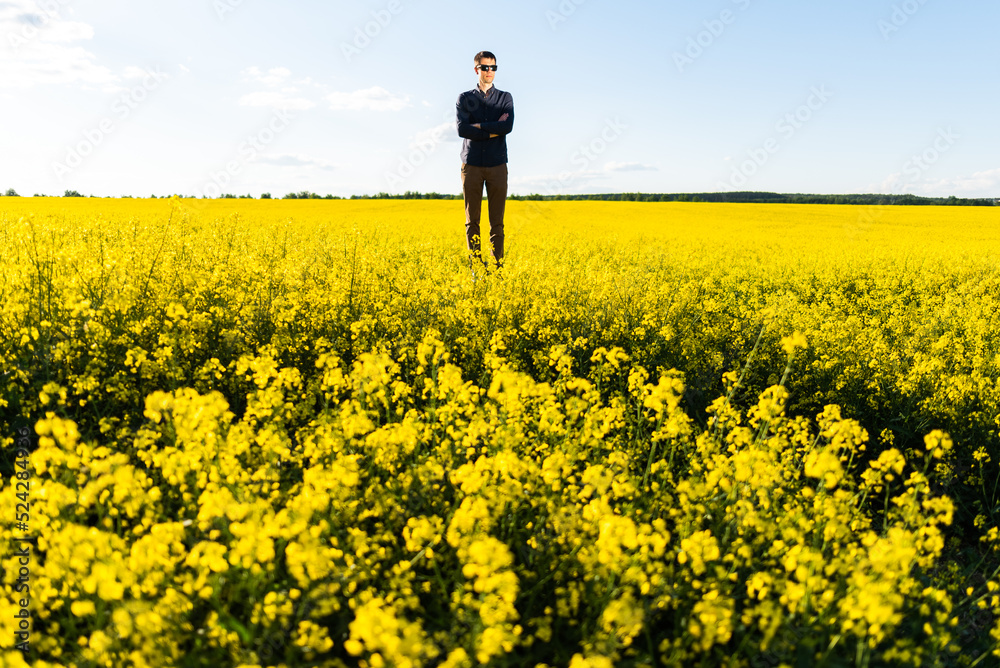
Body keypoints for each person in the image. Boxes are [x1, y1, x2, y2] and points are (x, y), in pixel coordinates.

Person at [456, 50, 514, 276]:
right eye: (485, 67)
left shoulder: (505, 98)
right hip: (471, 164)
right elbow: (462, 129)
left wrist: (478, 126)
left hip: (497, 164)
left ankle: (497, 269)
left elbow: (507, 127)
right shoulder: (465, 98)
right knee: (472, 222)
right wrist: (492, 129)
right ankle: (477, 269)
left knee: (497, 223)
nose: (490, 72)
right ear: (476, 69)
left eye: (493, 67)